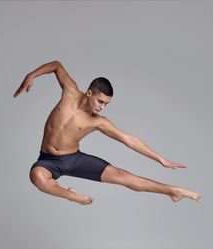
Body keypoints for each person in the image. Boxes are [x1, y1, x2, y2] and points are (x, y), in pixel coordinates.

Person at [14, 60, 201, 205]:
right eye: (100, 101)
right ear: (89, 93)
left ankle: (172, 191)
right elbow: (56, 65)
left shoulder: (98, 122)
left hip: (73, 159)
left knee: (123, 176)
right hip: (48, 160)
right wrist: (31, 75)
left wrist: (160, 159)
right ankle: (72, 196)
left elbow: (129, 140)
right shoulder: (69, 91)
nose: (102, 107)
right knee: (37, 177)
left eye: (106, 104)